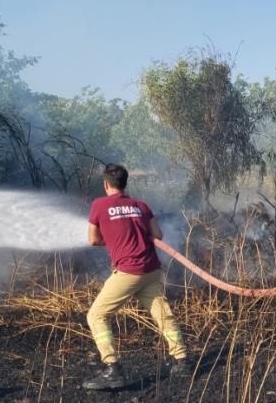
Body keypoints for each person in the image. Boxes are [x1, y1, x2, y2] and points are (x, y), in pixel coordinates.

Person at [83, 163, 191, 390]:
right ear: (125, 183)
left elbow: (93, 240)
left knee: (96, 315)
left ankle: (112, 368)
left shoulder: (99, 205)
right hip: (151, 269)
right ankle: (181, 360)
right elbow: (158, 235)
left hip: (129, 272)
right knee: (163, 314)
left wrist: (113, 238)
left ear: (105, 184)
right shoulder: (141, 205)